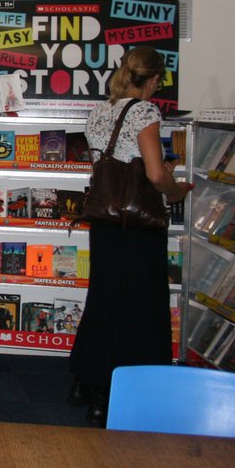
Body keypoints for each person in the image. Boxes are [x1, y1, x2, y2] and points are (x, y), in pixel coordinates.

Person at [69, 45, 192, 426]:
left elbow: (110, 163)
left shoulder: (100, 111)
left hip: (105, 222)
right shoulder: (144, 111)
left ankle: (87, 383)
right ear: (153, 79)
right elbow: (154, 174)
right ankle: (117, 395)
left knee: (104, 300)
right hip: (136, 226)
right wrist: (176, 190)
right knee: (140, 307)